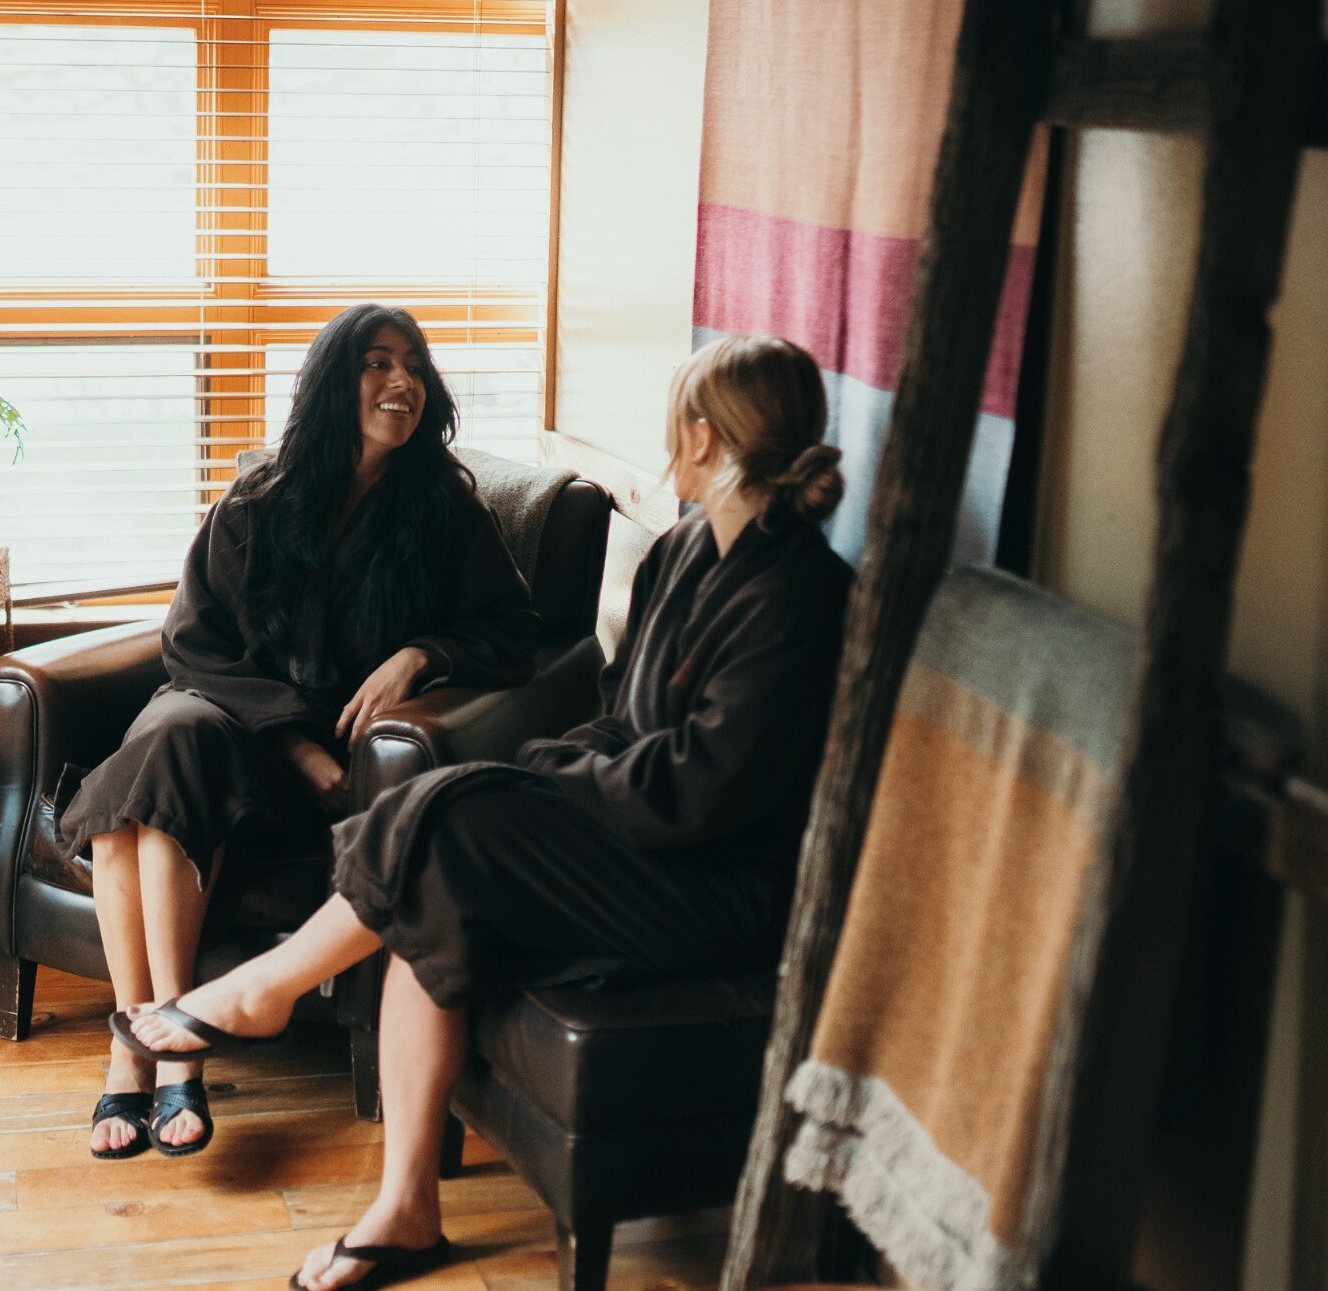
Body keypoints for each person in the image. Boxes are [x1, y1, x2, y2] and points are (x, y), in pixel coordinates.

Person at [113, 333, 853, 1289]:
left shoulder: (797, 591)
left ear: (703, 438)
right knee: (444, 853)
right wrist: (549, 775)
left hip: (723, 884)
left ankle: (266, 991)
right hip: (645, 837)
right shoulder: (680, 552)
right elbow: (619, 717)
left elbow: (701, 788)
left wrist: (547, 790)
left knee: (452, 822)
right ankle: (406, 1208)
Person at [67, 304, 540, 1161]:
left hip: (340, 777)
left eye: (414, 366)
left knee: (148, 782)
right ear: (333, 382)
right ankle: (161, 1053)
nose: (402, 383)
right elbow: (191, 642)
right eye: (376, 363)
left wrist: (418, 654)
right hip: (242, 733)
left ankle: (152, 1046)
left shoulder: (444, 511)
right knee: (162, 753)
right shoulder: (259, 501)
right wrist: (296, 742)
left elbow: (515, 632)